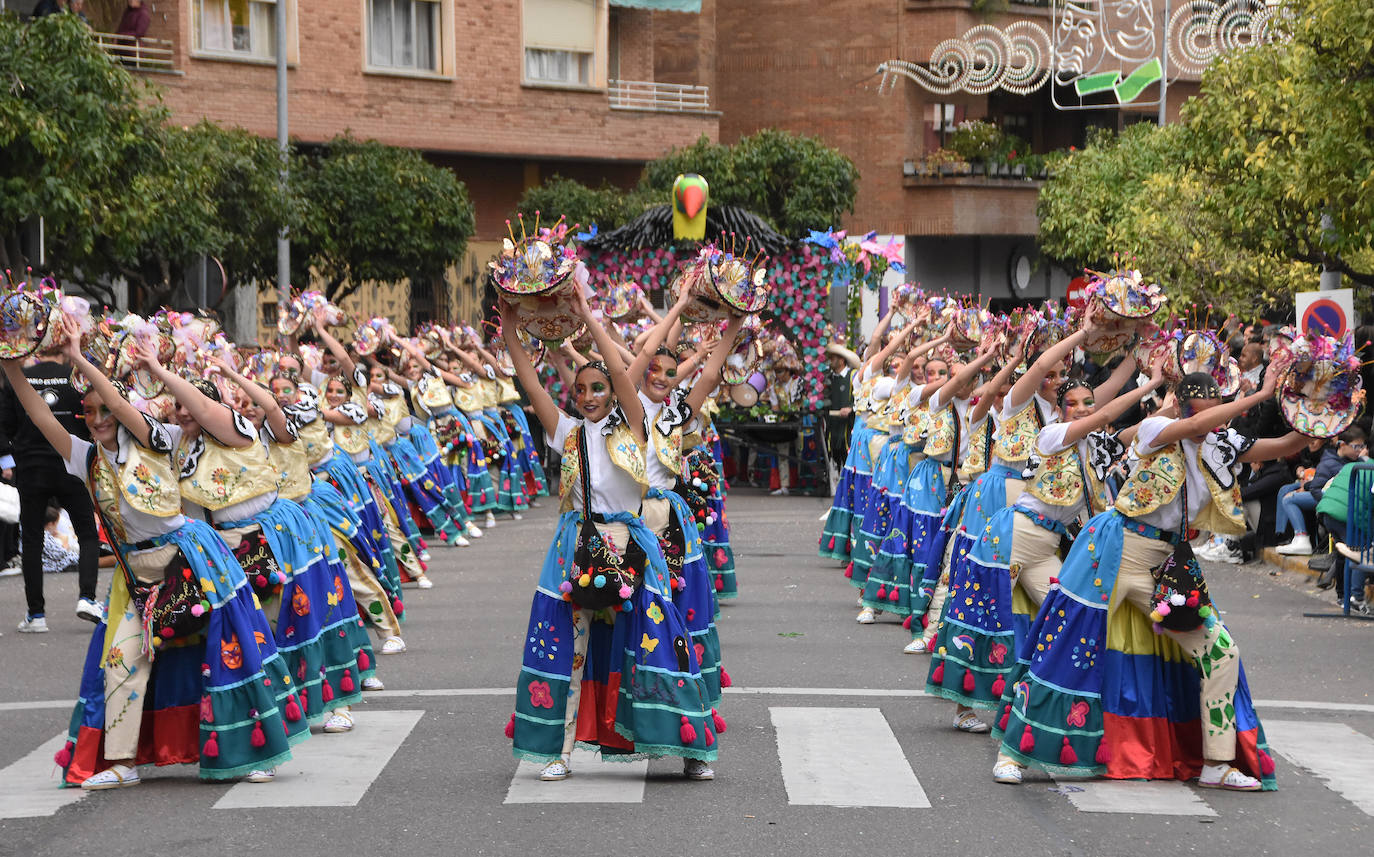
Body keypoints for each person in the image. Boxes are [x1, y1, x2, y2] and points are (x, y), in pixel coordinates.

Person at [3, 324, 298, 788]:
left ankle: (252, 749)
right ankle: (122, 762)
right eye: (89, 412)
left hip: (192, 558)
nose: (99, 419)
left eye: (105, 411)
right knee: (121, 658)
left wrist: (79, 359)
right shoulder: (86, 458)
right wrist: (12, 371)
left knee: (224, 652)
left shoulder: (154, 439)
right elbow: (41, 418)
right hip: (134, 573)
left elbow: (120, 403)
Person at [996, 369, 1309, 792]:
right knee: (1067, 645)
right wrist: (1263, 395)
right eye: (1203, 410)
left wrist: (1316, 417)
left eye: (1219, 411)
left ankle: (1216, 763)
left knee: (1221, 652)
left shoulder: (1220, 444)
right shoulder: (1157, 428)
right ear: (1181, 407)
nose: (1211, 421)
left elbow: (1288, 445)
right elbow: (1194, 427)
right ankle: (1012, 752)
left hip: (1163, 566)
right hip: (1112, 550)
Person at [500, 290, 718, 783]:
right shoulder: (569, 432)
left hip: (632, 545)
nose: (591, 396)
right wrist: (513, 330)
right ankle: (557, 748)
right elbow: (531, 382)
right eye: (581, 391)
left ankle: (689, 746)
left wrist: (586, 316)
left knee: (658, 642)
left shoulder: (636, 426)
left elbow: (627, 370)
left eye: (599, 388)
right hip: (576, 546)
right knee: (566, 647)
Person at [0, 343, 103, 631]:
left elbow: (6, 423)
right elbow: (90, 419)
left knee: (31, 538)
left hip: (31, 465)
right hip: (72, 460)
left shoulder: (19, 377)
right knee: (87, 533)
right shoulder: (77, 378)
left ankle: (37, 614)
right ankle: (87, 597)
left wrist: (16, 450)